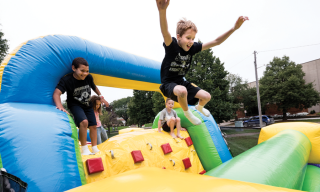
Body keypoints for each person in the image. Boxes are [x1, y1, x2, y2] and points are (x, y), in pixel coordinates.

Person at [156, 0, 249, 125]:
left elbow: (216, 42)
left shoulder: (192, 48)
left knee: (206, 96)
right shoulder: (172, 46)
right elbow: (165, 33)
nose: (191, 41)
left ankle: (199, 108)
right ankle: (188, 113)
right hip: (169, 85)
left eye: (193, 39)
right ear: (178, 37)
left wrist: (234, 28)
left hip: (181, 82)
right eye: (188, 38)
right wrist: (162, 11)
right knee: (182, 90)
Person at [53, 57, 109, 155]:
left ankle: (95, 148)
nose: (85, 73)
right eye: (82, 71)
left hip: (87, 104)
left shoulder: (88, 77)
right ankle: (84, 149)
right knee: (84, 122)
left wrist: (101, 96)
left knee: (94, 126)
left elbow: (94, 87)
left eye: (87, 71)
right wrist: (60, 106)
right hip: (75, 105)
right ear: (74, 68)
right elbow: (56, 93)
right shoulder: (67, 80)